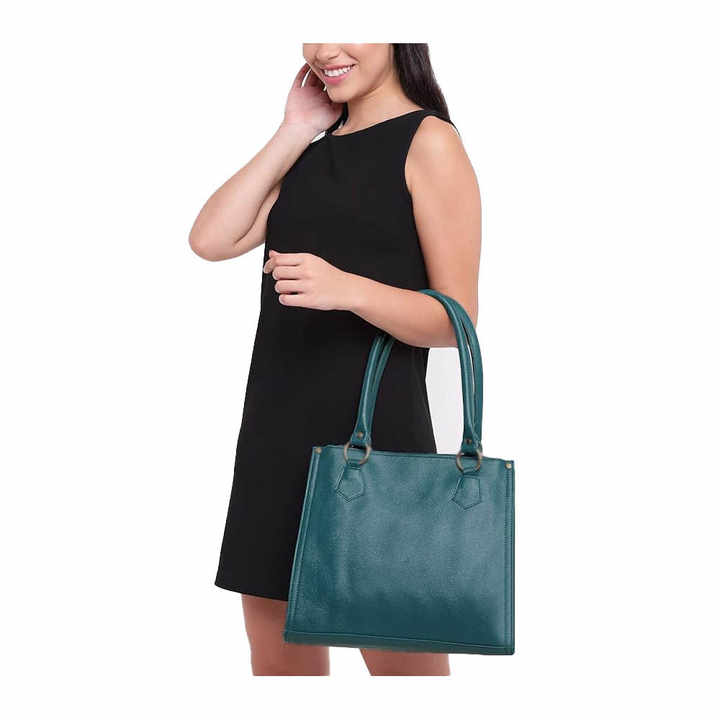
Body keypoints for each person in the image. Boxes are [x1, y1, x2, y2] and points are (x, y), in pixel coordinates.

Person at [189, 43, 482, 676]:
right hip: (275, 437)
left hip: (377, 447)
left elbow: (456, 321)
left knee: (407, 672)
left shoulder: (429, 142)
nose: (326, 49)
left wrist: (349, 290)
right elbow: (210, 239)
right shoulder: (309, 151)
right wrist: (294, 129)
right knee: (278, 667)